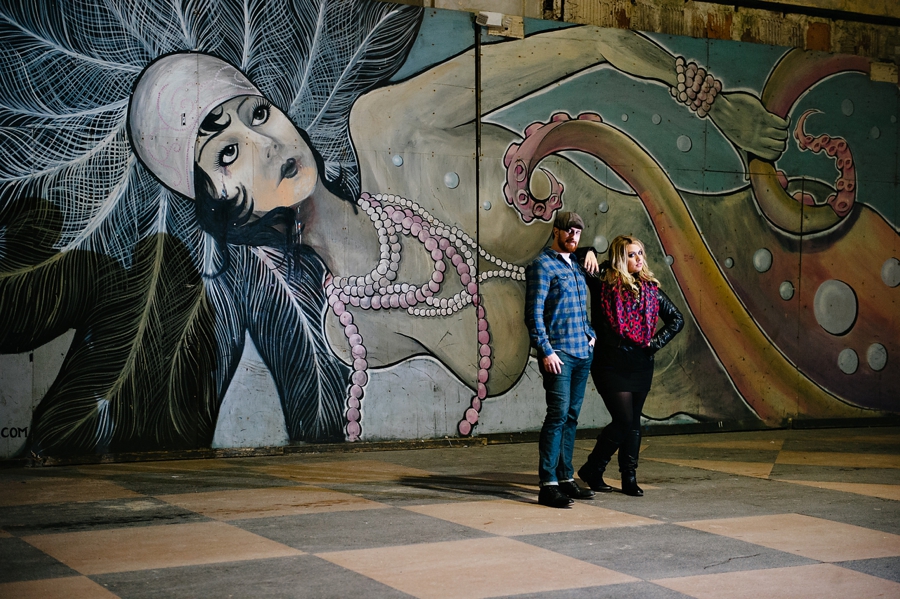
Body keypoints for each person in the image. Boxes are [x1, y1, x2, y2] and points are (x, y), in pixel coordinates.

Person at [577, 235, 683, 497]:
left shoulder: (649, 287)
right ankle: (593, 468)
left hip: (640, 364)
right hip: (610, 363)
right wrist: (588, 251)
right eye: (631, 255)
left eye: (640, 254)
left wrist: (654, 344)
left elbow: (676, 319)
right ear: (619, 258)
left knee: (633, 422)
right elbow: (576, 256)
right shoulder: (603, 281)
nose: (638, 259)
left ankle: (629, 477)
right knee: (623, 420)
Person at [525, 211, 597, 508]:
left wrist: (590, 334)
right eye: (568, 231)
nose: (573, 236)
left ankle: (566, 478)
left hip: (583, 351)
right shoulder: (542, 265)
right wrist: (546, 349)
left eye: (577, 233)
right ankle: (548, 484)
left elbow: (582, 306)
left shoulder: (578, 265)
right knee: (556, 417)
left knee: (571, 417)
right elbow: (533, 313)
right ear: (556, 231)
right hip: (560, 354)